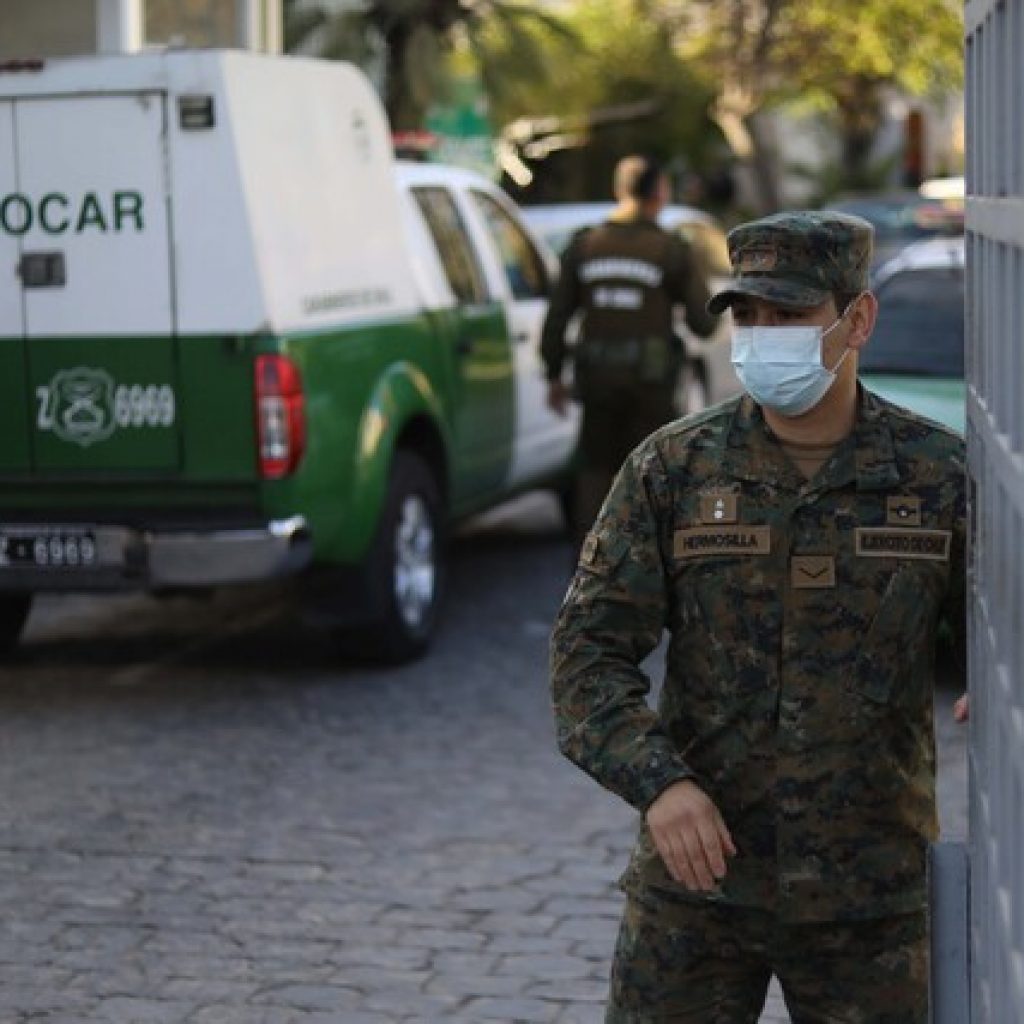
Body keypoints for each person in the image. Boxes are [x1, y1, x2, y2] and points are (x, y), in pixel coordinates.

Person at [549, 210, 968, 1023]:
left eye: (790, 314)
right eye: (748, 315)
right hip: (697, 890)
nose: (763, 335)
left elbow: (1003, 621)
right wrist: (659, 784)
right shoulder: (672, 469)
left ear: (858, 319)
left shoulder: (936, 477)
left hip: (869, 899)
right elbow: (586, 655)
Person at [540, 155, 719, 551]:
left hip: (596, 383)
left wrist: (554, 375)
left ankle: (591, 567)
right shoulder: (670, 249)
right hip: (651, 387)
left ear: (619, 191)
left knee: (595, 473)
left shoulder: (584, 245)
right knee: (653, 470)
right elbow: (703, 323)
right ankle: (652, 561)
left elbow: (556, 319)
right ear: (660, 192)